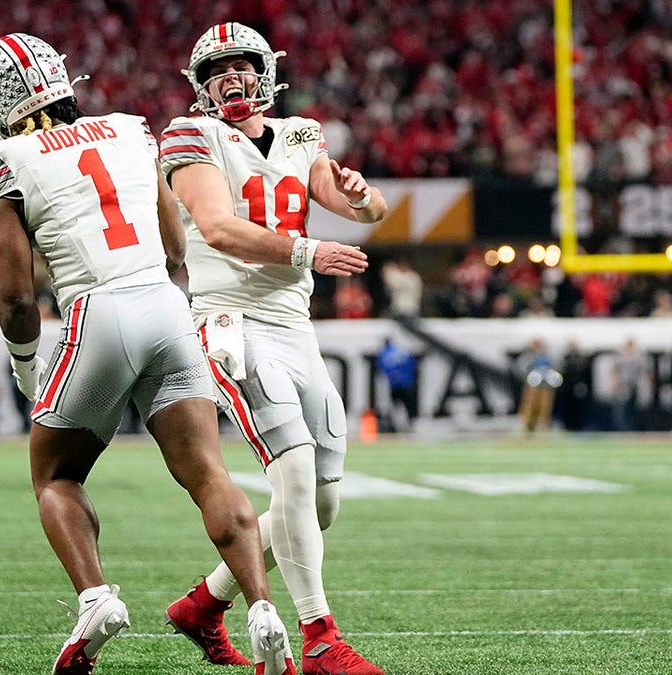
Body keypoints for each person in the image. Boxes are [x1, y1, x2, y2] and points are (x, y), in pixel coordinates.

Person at [0, 33, 296, 675]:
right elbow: (175, 239)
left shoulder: (1, 160)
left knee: (55, 476)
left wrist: (25, 364)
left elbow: (14, 295)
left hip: (96, 311)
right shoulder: (126, 128)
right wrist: (162, 286)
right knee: (210, 475)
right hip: (165, 303)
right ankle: (261, 607)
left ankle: (96, 600)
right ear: (62, 78)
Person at [159, 22, 387, 675]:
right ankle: (319, 636)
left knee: (320, 500)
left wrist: (360, 196)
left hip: (293, 325)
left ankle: (204, 602)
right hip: (231, 318)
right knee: (288, 469)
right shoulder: (191, 133)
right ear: (201, 85)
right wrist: (310, 249)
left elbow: (358, 206)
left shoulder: (300, 131)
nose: (232, 79)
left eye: (243, 67)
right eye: (218, 71)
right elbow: (218, 227)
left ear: (266, 73)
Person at [516, 337, 562, 434]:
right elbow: (521, 368)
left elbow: (557, 367)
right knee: (529, 406)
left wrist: (550, 377)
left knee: (545, 407)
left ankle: (542, 427)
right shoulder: (528, 356)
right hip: (532, 387)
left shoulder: (548, 356)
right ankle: (526, 427)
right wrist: (529, 376)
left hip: (545, 386)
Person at [377, 338, 418, 433]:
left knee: (397, 406)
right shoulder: (402, 351)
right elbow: (412, 364)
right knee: (408, 406)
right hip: (407, 383)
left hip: (395, 385)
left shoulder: (385, 353)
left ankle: (399, 426)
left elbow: (382, 368)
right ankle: (410, 425)